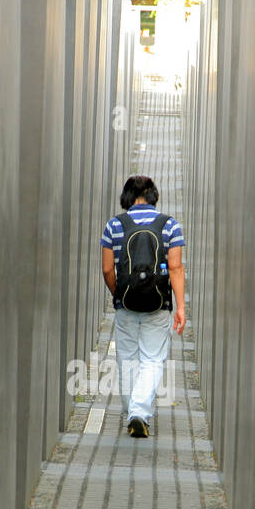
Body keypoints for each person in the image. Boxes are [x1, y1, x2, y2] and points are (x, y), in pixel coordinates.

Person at [99, 175, 186, 438]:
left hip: (126, 304)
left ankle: (133, 411)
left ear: (127, 196)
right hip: (158, 304)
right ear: (153, 195)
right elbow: (175, 267)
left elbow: (106, 268)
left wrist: (119, 294)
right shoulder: (170, 225)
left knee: (127, 358)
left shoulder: (114, 225)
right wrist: (180, 306)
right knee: (152, 359)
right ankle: (139, 411)